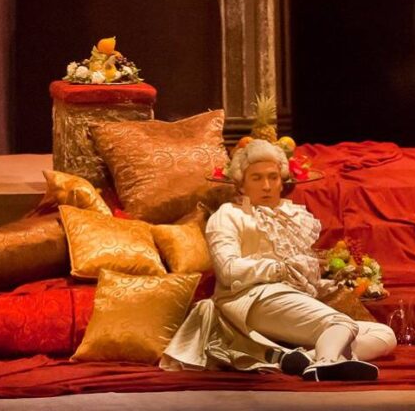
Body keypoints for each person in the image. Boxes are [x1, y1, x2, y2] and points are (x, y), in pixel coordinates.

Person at [163, 139, 397, 381]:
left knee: (384, 335)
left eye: (273, 177)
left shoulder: (291, 214)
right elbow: (228, 270)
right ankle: (326, 363)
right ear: (241, 184)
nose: (266, 186)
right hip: (249, 298)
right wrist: (280, 268)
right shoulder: (228, 215)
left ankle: (301, 359)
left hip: (288, 297)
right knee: (339, 323)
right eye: (256, 178)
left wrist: (327, 283)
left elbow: (299, 273)